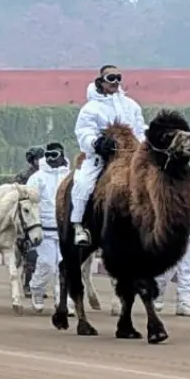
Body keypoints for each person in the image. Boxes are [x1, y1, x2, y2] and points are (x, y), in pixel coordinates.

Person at [71, 64, 146, 247]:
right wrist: (96, 143)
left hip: (130, 156)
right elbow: (83, 132)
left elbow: (139, 131)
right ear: (101, 81)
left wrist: (144, 145)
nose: (115, 82)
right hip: (101, 157)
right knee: (83, 184)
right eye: (111, 78)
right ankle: (79, 225)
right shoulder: (90, 108)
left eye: (118, 78)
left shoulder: (132, 106)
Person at [158, 170, 190, 317]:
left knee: (188, 268)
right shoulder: (162, 178)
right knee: (164, 268)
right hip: (167, 231)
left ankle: (184, 302)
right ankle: (157, 297)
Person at [26, 142, 70, 313]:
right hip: (43, 229)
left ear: (61, 155)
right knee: (47, 264)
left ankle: (62, 301)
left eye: (55, 155)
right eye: (48, 155)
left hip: (65, 229)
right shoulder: (36, 177)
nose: (51, 159)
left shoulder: (70, 175)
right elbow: (29, 204)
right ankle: (37, 290)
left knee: (63, 265)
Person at [13, 145, 46, 297]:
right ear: (32, 160)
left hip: (43, 217)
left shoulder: (47, 175)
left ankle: (38, 285)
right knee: (30, 254)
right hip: (27, 219)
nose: (42, 161)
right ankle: (27, 285)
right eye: (39, 158)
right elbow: (16, 196)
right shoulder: (23, 176)